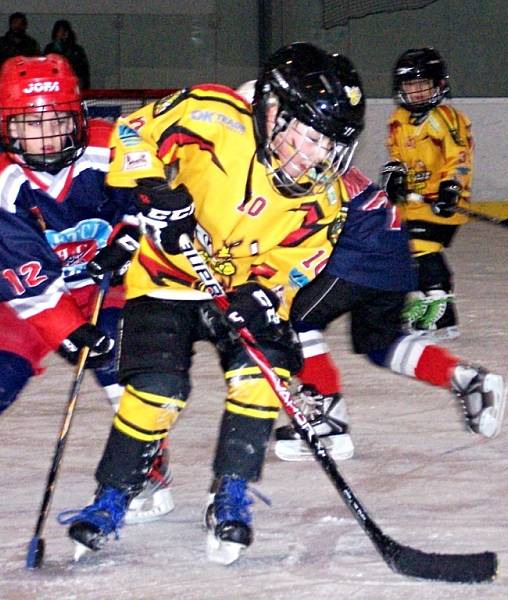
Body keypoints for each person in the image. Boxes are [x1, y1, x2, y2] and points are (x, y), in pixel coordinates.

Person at [57, 42, 365, 566]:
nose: (316, 157)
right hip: (163, 278)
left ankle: (232, 491)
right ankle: (113, 494)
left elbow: (298, 265)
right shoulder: (214, 115)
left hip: (236, 294)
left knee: (259, 378)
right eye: (309, 137)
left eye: (328, 146)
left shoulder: (325, 202)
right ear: (274, 112)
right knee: (155, 392)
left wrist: (265, 296)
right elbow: (135, 131)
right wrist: (151, 186)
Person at [0, 55, 172, 523]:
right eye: (29, 123)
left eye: (56, 121)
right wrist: (68, 332)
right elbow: (33, 292)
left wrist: (128, 238)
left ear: (77, 117)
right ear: (7, 127)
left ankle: (148, 463)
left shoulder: (113, 149)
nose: (44, 136)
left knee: (120, 366)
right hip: (41, 299)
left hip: (112, 286)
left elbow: (158, 200)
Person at [273, 166, 506, 461]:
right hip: (393, 245)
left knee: (289, 318)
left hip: (357, 246)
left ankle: (328, 418)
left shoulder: (279, 154)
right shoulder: (311, 145)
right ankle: (467, 378)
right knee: (380, 343)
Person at [383, 47, 473, 340]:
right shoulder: (398, 120)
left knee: (422, 244)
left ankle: (443, 311)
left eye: (424, 85)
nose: (417, 92)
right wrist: (394, 175)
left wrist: (451, 187)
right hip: (414, 203)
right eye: (411, 85)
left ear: (439, 86)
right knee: (405, 248)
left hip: (442, 203)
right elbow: (396, 155)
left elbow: (459, 157)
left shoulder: (447, 118)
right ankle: (426, 298)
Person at [0, 12, 41, 94]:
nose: (17, 27)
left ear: (25, 26)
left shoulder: (31, 44)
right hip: (5, 85)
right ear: (10, 25)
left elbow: (37, 66)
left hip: (26, 87)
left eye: (21, 24)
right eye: (15, 23)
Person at [44, 19, 91, 90]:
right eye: (60, 31)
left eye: (64, 31)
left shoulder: (76, 50)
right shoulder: (50, 49)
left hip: (72, 83)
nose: (62, 34)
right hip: (55, 84)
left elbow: (83, 70)